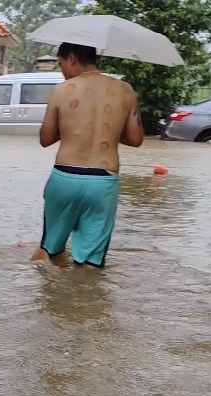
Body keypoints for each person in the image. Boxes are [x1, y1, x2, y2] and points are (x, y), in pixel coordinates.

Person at [31, 42, 144, 269]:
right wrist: (108, 131)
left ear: (71, 58)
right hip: (103, 181)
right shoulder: (126, 91)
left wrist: (73, 127)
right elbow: (135, 139)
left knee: (49, 254)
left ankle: (50, 299)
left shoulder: (61, 90)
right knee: (91, 265)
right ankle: (86, 302)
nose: (61, 70)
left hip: (65, 177)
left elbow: (45, 139)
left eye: (61, 63)